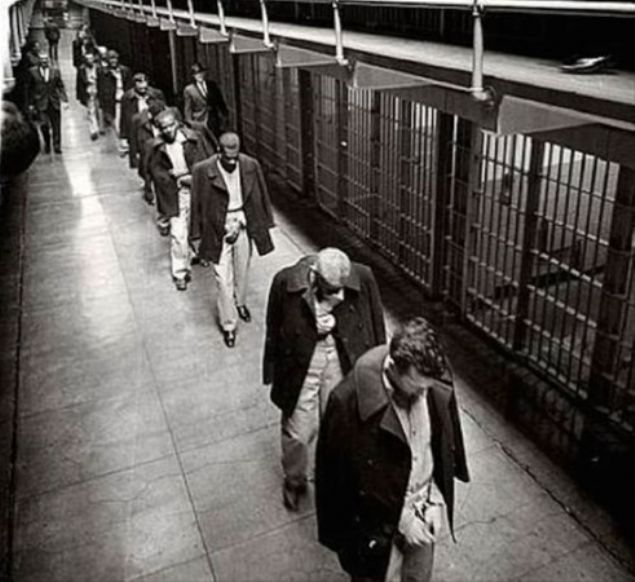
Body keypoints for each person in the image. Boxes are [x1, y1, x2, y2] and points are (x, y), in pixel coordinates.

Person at [316, 317, 470, 582]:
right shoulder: (347, 402)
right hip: (376, 527)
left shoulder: (430, 382)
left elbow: (434, 449)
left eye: (427, 386)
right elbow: (338, 479)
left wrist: (435, 500)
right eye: (416, 386)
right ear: (393, 368)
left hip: (423, 512)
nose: (423, 393)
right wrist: (403, 519)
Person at [263, 247, 386, 511]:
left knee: (339, 423)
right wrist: (271, 369)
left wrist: (378, 365)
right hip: (302, 360)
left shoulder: (363, 276)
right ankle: (295, 479)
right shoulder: (286, 281)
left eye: (342, 288)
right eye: (332, 290)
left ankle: (331, 475)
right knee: (298, 431)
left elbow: (376, 321)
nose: (340, 296)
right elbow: (273, 326)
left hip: (342, 355)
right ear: (315, 276)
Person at [191, 132, 275, 348]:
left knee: (242, 269)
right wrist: (196, 237)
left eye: (235, 158)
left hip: (243, 221)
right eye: (227, 158)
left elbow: (260, 196)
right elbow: (196, 205)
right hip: (217, 227)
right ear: (218, 152)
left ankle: (240, 302)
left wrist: (254, 222)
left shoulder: (250, 165)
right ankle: (229, 324)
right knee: (222, 278)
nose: (231, 162)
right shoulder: (202, 171)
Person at [146, 109, 209, 290]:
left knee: (197, 226)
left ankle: (195, 253)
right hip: (174, 194)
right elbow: (155, 173)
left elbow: (205, 163)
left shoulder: (194, 139)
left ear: (177, 124)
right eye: (164, 128)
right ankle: (180, 272)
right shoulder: (156, 148)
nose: (168, 130)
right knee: (178, 233)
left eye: (170, 126)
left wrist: (188, 176)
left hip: (196, 190)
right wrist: (174, 178)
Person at [25, 53, 68, 154]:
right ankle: (47, 143)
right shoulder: (32, 72)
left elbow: (60, 86)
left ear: (48, 60)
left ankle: (57, 145)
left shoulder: (55, 71)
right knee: (44, 125)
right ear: (39, 60)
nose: (44, 61)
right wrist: (30, 103)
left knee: (56, 125)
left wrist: (64, 99)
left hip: (54, 102)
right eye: (42, 59)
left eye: (45, 59)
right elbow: (29, 89)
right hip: (41, 103)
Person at [121, 72, 165, 169]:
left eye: (145, 85)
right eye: (140, 85)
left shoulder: (157, 94)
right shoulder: (127, 98)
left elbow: (164, 111)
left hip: (154, 127)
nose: (143, 88)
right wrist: (123, 137)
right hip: (137, 130)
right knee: (141, 158)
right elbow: (124, 118)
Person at [183, 62, 228, 140]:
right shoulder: (189, 89)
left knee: (215, 138)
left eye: (201, 73)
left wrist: (225, 115)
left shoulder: (212, 85)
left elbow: (220, 101)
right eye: (197, 74)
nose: (199, 76)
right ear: (193, 76)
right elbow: (188, 108)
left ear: (204, 73)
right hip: (199, 120)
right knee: (203, 140)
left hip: (213, 119)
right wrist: (189, 123)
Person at [97, 50, 131, 142]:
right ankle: (121, 140)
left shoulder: (125, 71)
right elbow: (101, 88)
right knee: (116, 123)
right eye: (111, 59)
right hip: (112, 101)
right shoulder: (103, 73)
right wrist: (102, 103)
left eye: (115, 58)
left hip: (124, 100)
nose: (113, 61)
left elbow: (129, 85)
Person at [76, 52, 100, 140]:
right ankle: (94, 129)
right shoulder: (82, 70)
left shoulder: (98, 68)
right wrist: (80, 96)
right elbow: (79, 84)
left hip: (98, 91)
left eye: (91, 58)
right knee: (91, 111)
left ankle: (99, 126)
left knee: (98, 110)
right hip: (89, 92)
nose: (90, 60)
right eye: (88, 59)